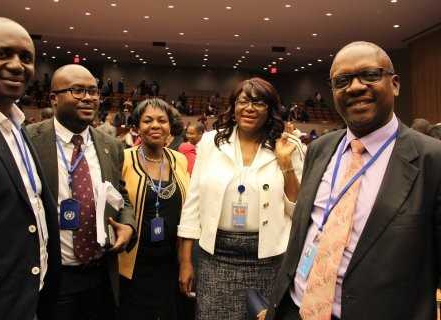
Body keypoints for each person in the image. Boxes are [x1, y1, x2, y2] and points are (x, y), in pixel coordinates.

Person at [265, 41, 441, 320]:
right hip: (297, 309)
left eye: (370, 75)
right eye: (342, 81)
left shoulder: (432, 159)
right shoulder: (320, 149)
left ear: (394, 84)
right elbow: (306, 232)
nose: (356, 87)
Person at [178, 77, 304, 320]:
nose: (249, 108)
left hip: (269, 260)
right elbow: (192, 205)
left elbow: (296, 209)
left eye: (258, 103)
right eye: (243, 101)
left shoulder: (289, 145)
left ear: (270, 110)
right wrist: (185, 262)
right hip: (215, 259)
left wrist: (286, 164)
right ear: (233, 107)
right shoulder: (210, 143)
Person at [0, 17, 61, 320]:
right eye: (2, 54)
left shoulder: (15, 125)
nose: (17, 66)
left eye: (26, 58)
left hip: (27, 299)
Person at [26, 64, 136, 320]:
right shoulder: (30, 140)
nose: (88, 98)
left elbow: (121, 195)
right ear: (53, 98)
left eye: (93, 91)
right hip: (54, 276)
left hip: (101, 275)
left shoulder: (110, 145)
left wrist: (128, 225)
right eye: (77, 91)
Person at [118, 98, 190, 320]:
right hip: (133, 264)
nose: (156, 125)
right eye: (147, 120)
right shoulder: (123, 158)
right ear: (137, 126)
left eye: (162, 120)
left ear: (171, 126)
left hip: (170, 261)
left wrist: (185, 261)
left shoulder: (179, 159)